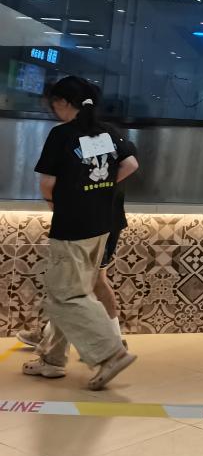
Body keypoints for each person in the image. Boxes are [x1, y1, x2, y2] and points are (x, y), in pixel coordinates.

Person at [23, 76, 139, 390]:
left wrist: (59, 203)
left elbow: (47, 183)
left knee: (67, 295)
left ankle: (111, 353)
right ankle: (52, 360)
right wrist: (99, 189)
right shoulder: (107, 132)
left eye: (54, 104)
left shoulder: (62, 134)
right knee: (70, 291)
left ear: (63, 102)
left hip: (72, 226)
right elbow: (130, 164)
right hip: (101, 224)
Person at [17, 162, 135, 351]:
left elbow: (131, 165)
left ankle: (115, 341)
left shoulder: (103, 145)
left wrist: (59, 204)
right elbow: (130, 164)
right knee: (79, 282)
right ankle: (50, 335)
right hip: (103, 219)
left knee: (91, 282)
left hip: (93, 222)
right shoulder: (112, 147)